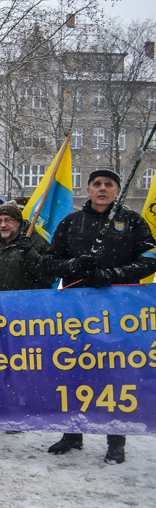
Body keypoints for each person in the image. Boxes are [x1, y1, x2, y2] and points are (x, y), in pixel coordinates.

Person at [42, 169, 156, 463]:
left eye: (109, 184)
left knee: (114, 375)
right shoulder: (71, 222)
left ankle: (116, 439)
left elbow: (150, 259)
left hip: (119, 312)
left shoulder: (132, 221)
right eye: (96, 184)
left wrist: (113, 274)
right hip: (76, 312)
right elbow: (49, 261)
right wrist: (74, 265)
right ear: (89, 190)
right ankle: (72, 433)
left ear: (117, 191)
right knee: (73, 370)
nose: (102, 188)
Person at [0, 201, 53, 292]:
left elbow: (49, 277)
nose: (3, 225)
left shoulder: (37, 242)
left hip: (31, 300)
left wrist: (30, 253)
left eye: (8, 220)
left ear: (19, 222)